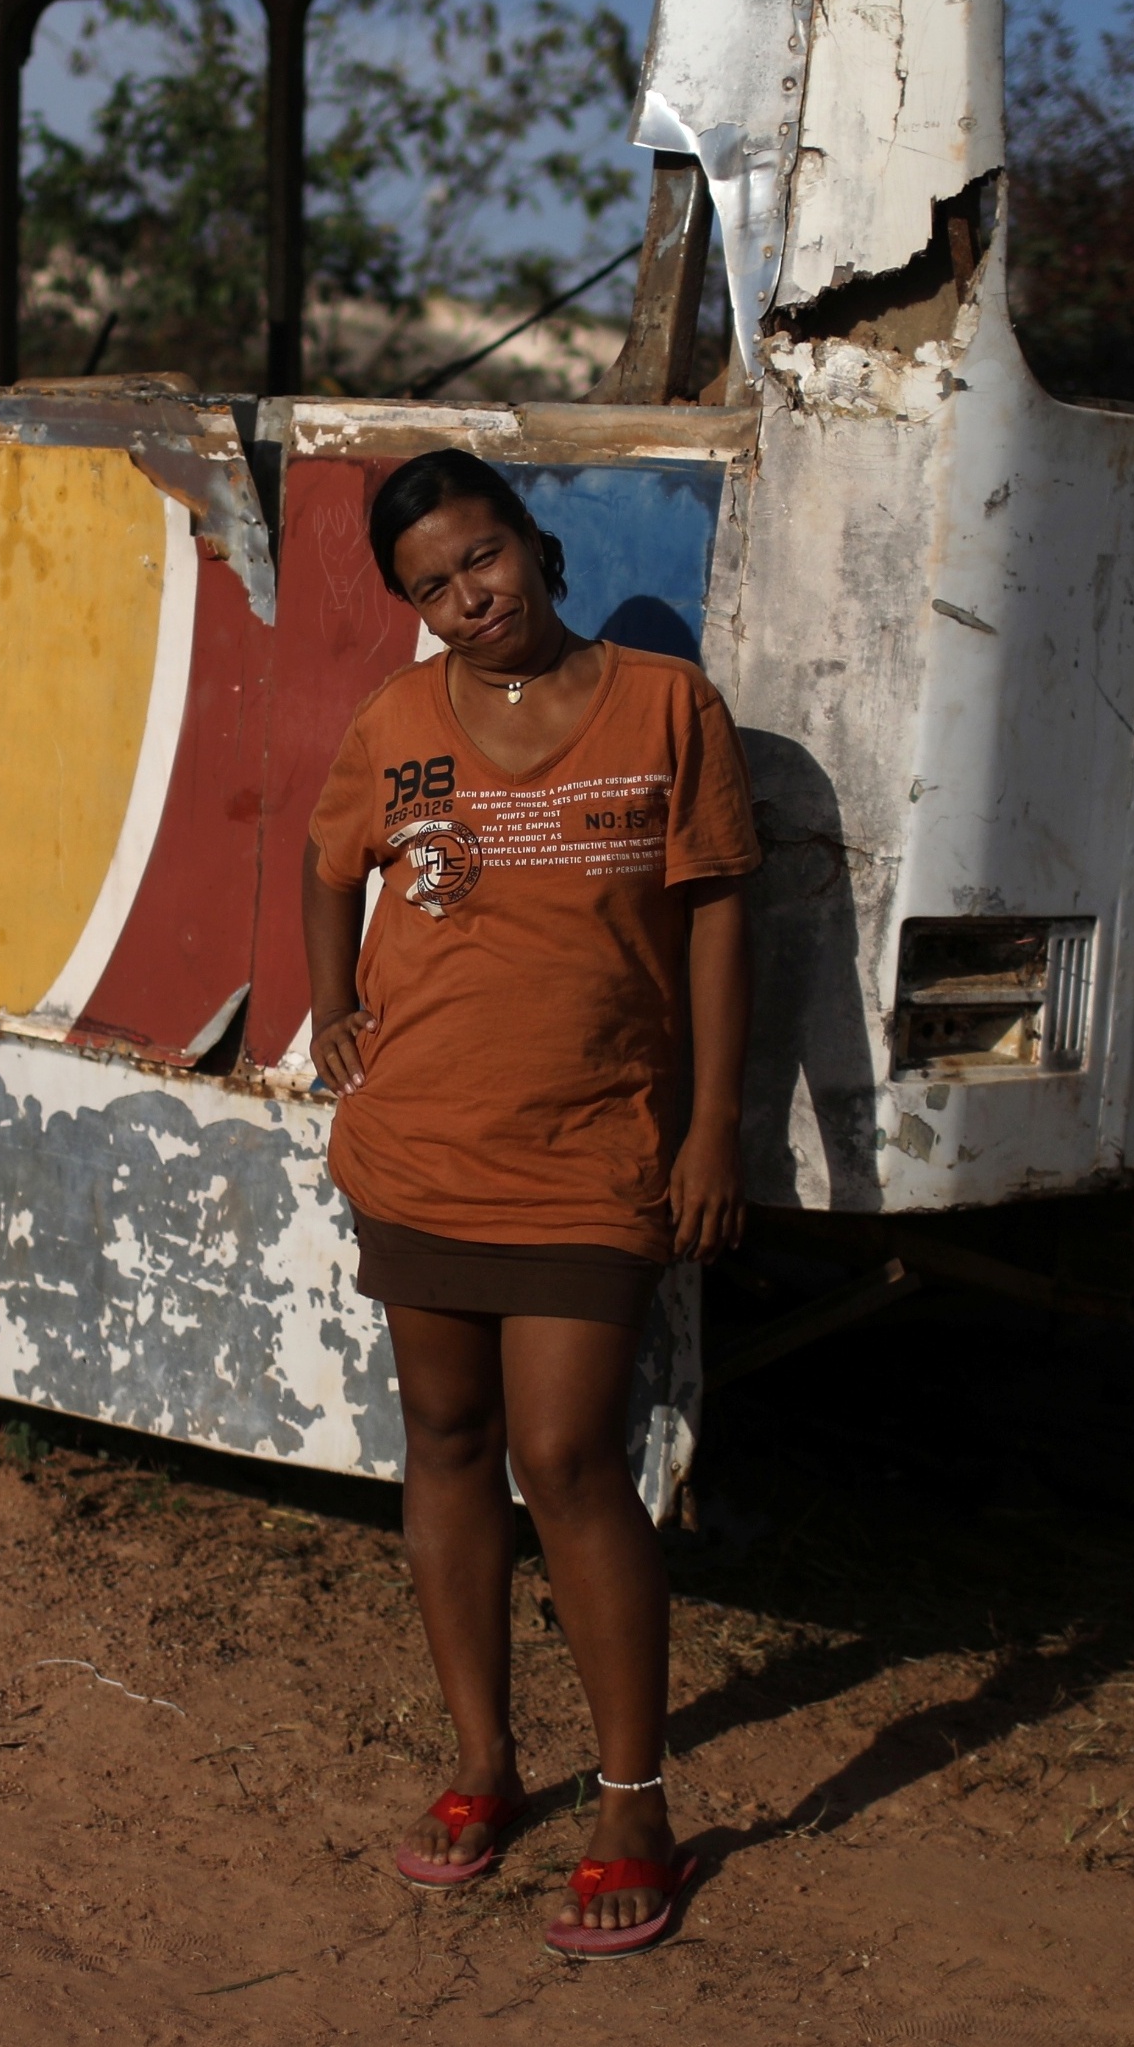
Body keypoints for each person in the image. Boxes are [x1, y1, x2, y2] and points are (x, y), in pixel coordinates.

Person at [301, 448, 757, 1960]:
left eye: (480, 560)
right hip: (424, 1143)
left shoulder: (666, 709)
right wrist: (334, 1012)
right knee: (444, 1440)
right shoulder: (396, 722)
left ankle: (635, 1801)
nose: (465, 599)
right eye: (429, 587)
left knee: (567, 1457)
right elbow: (325, 862)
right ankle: (485, 1767)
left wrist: (708, 1133)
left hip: (590, 1148)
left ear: (534, 546)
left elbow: (713, 922)